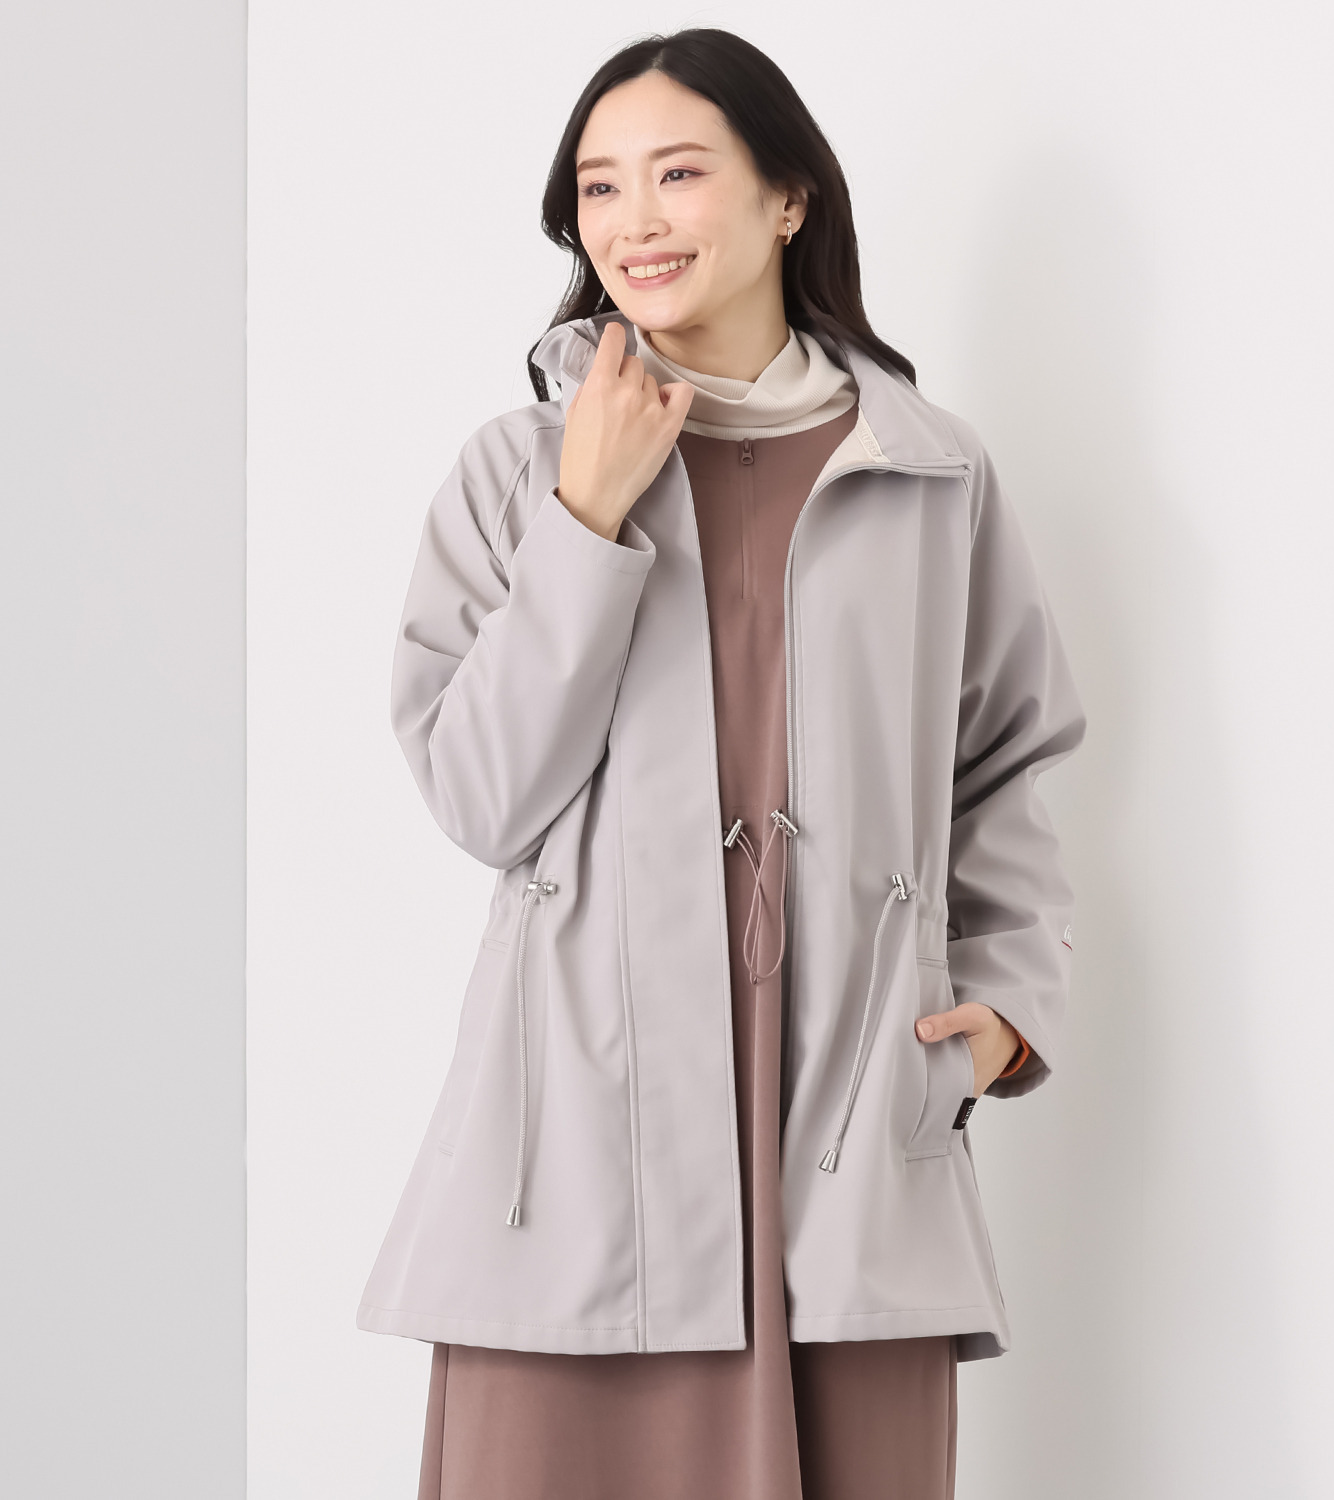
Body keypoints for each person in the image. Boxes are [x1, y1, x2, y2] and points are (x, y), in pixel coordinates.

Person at [359, 26, 1085, 1500]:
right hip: (578, 1168)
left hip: (850, 1156)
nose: (634, 220)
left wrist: (1008, 1008)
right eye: (600, 186)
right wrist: (585, 518)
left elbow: (1008, 759)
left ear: (788, 197)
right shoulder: (517, 472)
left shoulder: (931, 472)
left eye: (679, 174)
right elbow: (481, 794)